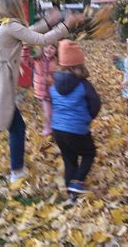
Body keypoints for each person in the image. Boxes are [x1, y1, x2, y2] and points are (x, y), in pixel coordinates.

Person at [0, 0, 83, 183]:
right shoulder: (10, 25)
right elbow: (40, 40)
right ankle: (15, 172)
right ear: (14, 7)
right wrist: (66, 25)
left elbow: (28, 32)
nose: (22, 6)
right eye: (20, 4)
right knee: (15, 126)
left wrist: (49, 22)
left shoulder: (2, 24)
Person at [50, 40, 101, 200]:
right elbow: (95, 104)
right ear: (79, 65)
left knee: (69, 158)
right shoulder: (84, 85)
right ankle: (77, 182)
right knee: (89, 153)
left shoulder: (54, 85)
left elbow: (54, 103)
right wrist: (87, 118)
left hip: (58, 129)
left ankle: (71, 194)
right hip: (77, 128)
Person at [21, 43, 57, 136]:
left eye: (52, 47)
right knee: (48, 112)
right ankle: (48, 130)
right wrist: (25, 47)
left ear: (56, 50)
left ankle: (57, 129)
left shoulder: (57, 62)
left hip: (55, 91)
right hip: (44, 93)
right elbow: (25, 60)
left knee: (55, 111)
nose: (48, 49)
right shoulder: (37, 60)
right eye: (46, 46)